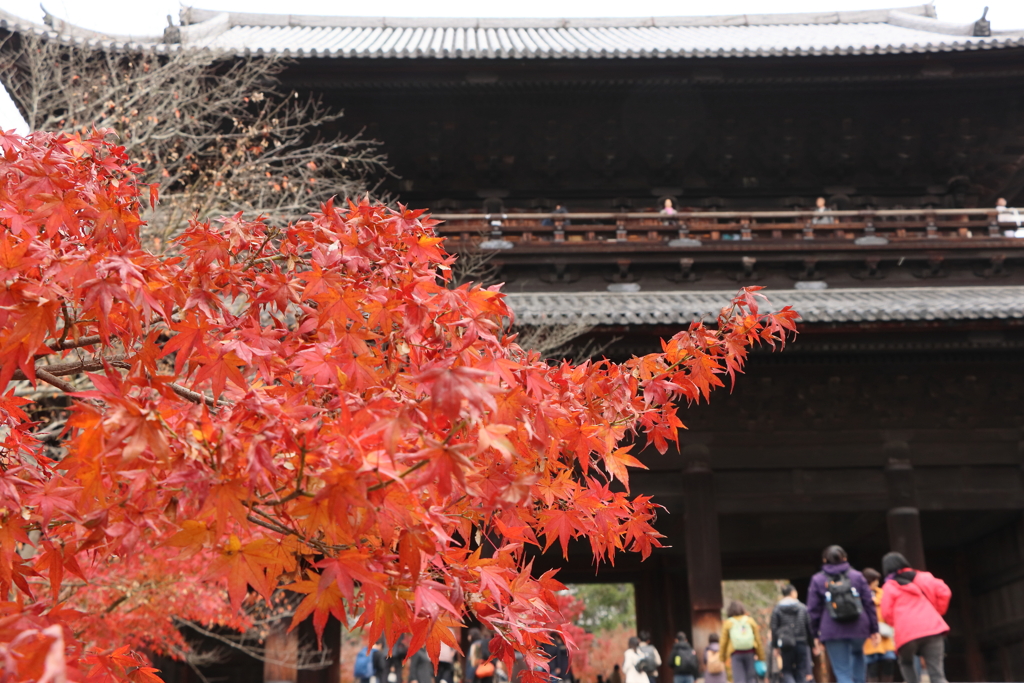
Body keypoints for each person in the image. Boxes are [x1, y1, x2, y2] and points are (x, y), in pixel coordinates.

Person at [807, 545, 878, 683]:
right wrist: (874, 629)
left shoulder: (818, 579)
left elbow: (813, 610)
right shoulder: (857, 576)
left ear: (824, 560)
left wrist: (815, 634)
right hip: (859, 627)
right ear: (845, 558)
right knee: (858, 657)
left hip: (832, 629)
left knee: (842, 672)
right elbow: (869, 603)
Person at [880, 552, 952, 683]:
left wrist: (896, 624)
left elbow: (886, 612)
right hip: (933, 628)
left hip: (907, 633)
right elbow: (944, 592)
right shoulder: (924, 577)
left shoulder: (890, 586)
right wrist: (936, 612)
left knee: (906, 662)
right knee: (937, 675)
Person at [770, 584, 814, 683]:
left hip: (786, 644)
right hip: (802, 642)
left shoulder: (777, 609)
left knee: (787, 670)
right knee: (801, 671)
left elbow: (774, 628)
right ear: (793, 593)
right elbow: (809, 627)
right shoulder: (803, 608)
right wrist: (812, 644)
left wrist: (775, 646)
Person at [861, 569, 897, 683]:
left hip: (885, 633)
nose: (877, 583)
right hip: (868, 635)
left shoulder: (882, 593)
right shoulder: (859, 595)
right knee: (872, 665)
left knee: (889, 661)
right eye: (874, 581)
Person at [721, 601, 765, 683]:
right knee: (751, 678)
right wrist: (761, 656)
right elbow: (758, 640)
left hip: (736, 654)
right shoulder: (750, 620)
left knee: (739, 679)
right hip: (750, 652)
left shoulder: (728, 623)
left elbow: (723, 642)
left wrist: (722, 658)